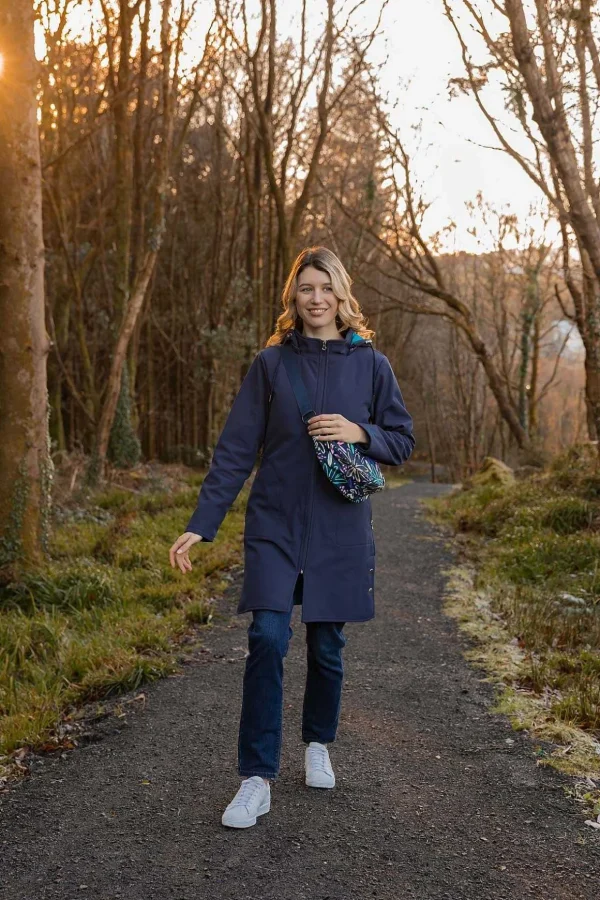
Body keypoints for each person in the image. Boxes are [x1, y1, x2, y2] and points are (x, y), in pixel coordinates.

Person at [169, 246, 415, 828]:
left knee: (326, 647)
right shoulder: (272, 365)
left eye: (325, 287)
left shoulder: (372, 365)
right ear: (293, 297)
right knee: (268, 638)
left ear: (342, 296)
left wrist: (360, 431)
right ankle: (256, 778)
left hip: (340, 529)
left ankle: (317, 742)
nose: (316, 298)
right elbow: (234, 450)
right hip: (274, 524)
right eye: (305, 288)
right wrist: (201, 524)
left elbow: (402, 441)